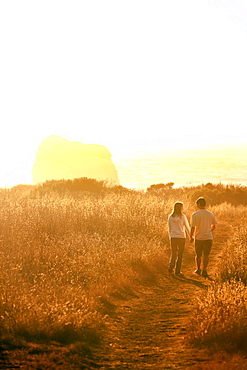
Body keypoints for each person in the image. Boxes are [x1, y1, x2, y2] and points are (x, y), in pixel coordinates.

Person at [190, 197, 217, 278]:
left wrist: (191, 236)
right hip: (208, 237)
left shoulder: (195, 214)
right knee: (206, 254)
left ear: (198, 204)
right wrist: (209, 230)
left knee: (198, 255)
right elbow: (214, 225)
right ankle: (204, 270)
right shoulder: (210, 214)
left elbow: (193, 227)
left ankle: (198, 269)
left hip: (198, 237)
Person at [168, 202, 190, 276]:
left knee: (173, 252)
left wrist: (170, 237)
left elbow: (169, 228)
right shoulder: (183, 217)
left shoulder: (170, 217)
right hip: (181, 237)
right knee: (180, 254)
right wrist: (191, 236)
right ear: (180, 208)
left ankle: (172, 264)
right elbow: (187, 228)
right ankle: (177, 271)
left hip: (173, 237)